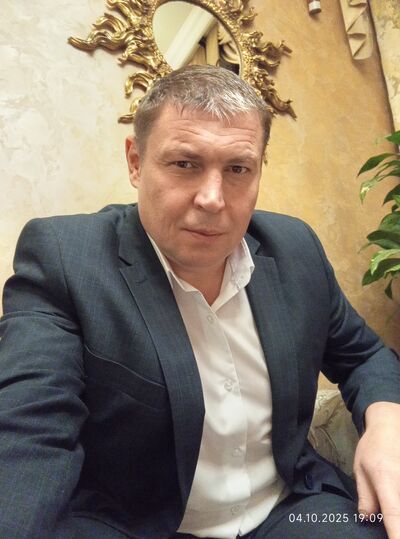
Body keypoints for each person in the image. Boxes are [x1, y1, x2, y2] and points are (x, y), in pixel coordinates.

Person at [1, 65, 400, 539]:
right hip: (138, 524)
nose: (213, 199)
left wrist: (387, 421)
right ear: (135, 162)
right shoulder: (67, 258)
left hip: (292, 509)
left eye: (237, 169)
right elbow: (30, 429)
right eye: (185, 164)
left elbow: (363, 355)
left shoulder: (295, 249)